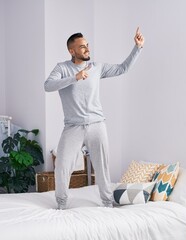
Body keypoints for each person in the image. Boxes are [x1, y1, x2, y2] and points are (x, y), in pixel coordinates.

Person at [44, 28, 145, 209]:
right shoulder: (62, 68)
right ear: (72, 51)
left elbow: (122, 68)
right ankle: (61, 205)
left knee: (102, 168)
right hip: (73, 127)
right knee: (62, 167)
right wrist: (74, 77)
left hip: (97, 125)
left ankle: (107, 204)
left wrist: (137, 48)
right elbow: (48, 85)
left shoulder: (97, 68)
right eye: (82, 47)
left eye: (87, 45)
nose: (87, 49)